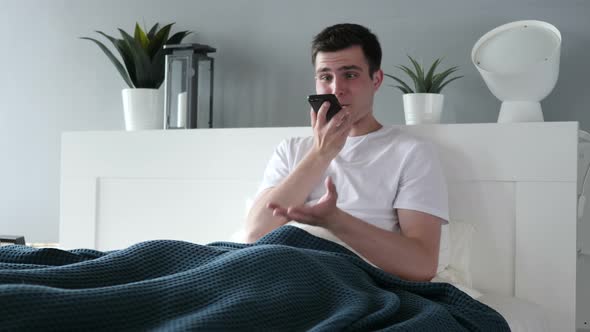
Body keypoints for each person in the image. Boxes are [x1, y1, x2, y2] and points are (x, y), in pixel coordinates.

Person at [244, 23, 449, 282]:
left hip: (345, 279)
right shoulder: (291, 150)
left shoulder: (411, 153)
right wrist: (321, 154)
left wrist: (335, 220)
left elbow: (422, 265)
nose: (336, 89)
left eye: (349, 75)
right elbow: (254, 234)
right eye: (325, 77)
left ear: (376, 79)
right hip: (275, 270)